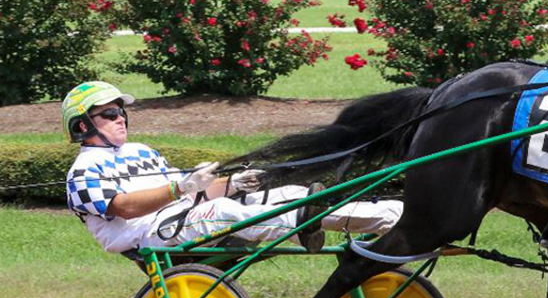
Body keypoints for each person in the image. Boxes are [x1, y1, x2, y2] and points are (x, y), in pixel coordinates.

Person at [62, 81, 402, 254]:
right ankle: (300, 224)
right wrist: (180, 188)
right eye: (109, 114)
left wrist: (237, 183)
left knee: (285, 192)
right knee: (222, 211)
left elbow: (198, 191)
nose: (120, 117)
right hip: (152, 237)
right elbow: (126, 207)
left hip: (184, 218)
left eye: (121, 111)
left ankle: (393, 218)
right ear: (82, 127)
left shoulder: (140, 150)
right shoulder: (82, 172)